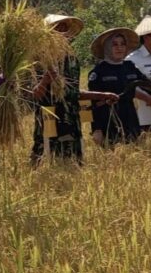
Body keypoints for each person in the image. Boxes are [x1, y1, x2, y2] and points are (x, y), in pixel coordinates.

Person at [29, 14, 118, 164]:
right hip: (49, 118)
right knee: (44, 159)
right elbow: (34, 95)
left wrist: (102, 95)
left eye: (65, 29)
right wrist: (46, 79)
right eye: (57, 29)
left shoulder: (72, 60)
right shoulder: (39, 60)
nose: (62, 34)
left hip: (71, 120)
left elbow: (73, 93)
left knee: (74, 163)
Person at [88, 27, 151, 146]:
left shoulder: (130, 66)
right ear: (107, 48)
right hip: (108, 119)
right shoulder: (98, 72)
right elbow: (91, 103)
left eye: (122, 44)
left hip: (130, 117)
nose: (119, 47)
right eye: (115, 44)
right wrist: (96, 129)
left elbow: (148, 85)